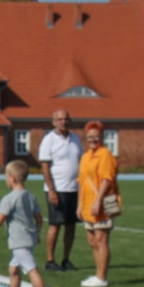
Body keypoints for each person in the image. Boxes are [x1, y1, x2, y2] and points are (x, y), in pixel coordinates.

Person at [37, 108, 83, 271]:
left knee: (71, 225)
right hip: (58, 188)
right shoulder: (49, 140)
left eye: (66, 119)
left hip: (74, 189)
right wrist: (51, 190)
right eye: (60, 119)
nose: (64, 122)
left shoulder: (76, 139)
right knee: (55, 224)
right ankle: (50, 260)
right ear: (54, 122)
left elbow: (81, 162)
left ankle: (66, 259)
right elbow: (45, 166)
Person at [76, 121, 120, 287]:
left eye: (96, 136)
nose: (93, 140)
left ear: (102, 137)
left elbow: (106, 180)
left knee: (101, 239)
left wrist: (97, 201)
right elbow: (81, 181)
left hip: (102, 203)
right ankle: (97, 274)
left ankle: (102, 277)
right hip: (87, 203)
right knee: (92, 240)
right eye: (90, 137)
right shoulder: (85, 156)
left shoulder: (105, 155)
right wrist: (79, 205)